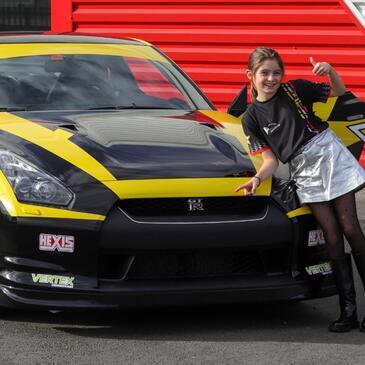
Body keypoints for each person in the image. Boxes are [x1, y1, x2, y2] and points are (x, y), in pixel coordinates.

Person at [235, 47, 365, 333]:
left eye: (276, 72)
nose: (271, 79)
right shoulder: (250, 118)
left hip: (329, 154)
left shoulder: (295, 89)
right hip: (303, 170)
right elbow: (270, 160)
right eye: (264, 73)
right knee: (331, 235)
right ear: (250, 76)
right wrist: (257, 178)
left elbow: (338, 94)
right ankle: (348, 312)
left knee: (350, 228)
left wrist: (330, 70)